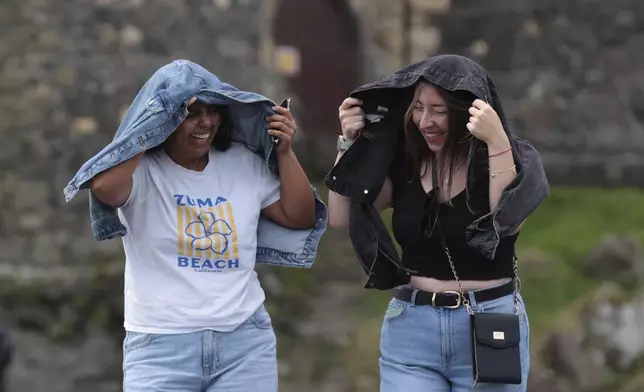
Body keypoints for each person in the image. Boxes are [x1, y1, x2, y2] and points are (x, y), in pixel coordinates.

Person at [64, 60, 328, 392]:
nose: (206, 122)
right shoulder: (142, 172)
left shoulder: (243, 164)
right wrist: (153, 123)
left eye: (214, 110)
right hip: (160, 348)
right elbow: (104, 188)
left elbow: (299, 216)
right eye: (191, 113)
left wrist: (286, 152)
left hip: (244, 344)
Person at [325, 54, 549, 391]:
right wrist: (349, 144)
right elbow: (340, 217)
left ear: (466, 113)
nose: (425, 121)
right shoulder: (404, 163)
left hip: (487, 328)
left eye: (439, 110)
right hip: (412, 331)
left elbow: (506, 221)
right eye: (418, 108)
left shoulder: (506, 161)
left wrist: (497, 141)